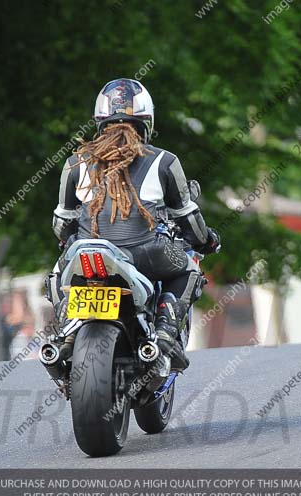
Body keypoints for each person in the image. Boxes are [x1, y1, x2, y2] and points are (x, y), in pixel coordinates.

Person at [51, 78, 220, 370]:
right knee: (189, 268)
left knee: (56, 274)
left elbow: (61, 222)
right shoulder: (165, 161)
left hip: (85, 251)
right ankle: (166, 331)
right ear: (147, 121)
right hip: (146, 252)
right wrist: (205, 240)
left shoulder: (74, 164)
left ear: (100, 121)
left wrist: (71, 242)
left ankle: (66, 327)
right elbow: (187, 217)